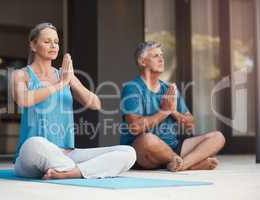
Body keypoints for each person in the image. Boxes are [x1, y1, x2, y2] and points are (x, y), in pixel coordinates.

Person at [12, 23, 136, 179]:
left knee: (128, 152)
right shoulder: (21, 74)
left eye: (56, 42)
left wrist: (71, 81)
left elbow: (96, 104)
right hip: (33, 156)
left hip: (68, 154)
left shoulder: (65, 75)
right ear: (33, 45)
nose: (53, 46)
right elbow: (23, 100)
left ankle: (69, 172)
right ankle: (82, 170)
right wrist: (61, 84)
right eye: (47, 41)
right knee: (34, 144)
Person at [120, 41, 225, 172]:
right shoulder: (132, 88)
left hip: (172, 147)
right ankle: (189, 163)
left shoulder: (168, 89)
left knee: (217, 137)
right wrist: (164, 112)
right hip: (143, 151)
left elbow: (190, 124)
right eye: (155, 56)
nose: (161, 59)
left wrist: (174, 112)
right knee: (148, 140)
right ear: (142, 61)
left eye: (162, 55)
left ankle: (183, 164)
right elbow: (135, 127)